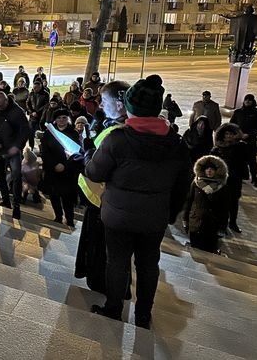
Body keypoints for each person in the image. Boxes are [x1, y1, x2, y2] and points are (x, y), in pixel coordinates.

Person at [86, 75, 191, 329]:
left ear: (130, 108)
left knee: (117, 262)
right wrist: (169, 214)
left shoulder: (117, 139)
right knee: (148, 265)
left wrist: (89, 153)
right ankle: (143, 315)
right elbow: (182, 186)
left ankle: (113, 309)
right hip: (154, 219)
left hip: (118, 217)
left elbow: (94, 173)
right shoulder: (176, 144)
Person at [0, 91, 30, 219]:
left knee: (16, 176)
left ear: (6, 100)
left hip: (13, 150)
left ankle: (16, 205)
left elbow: (25, 130)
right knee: (0, 175)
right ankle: (5, 200)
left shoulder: (18, 111)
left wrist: (17, 146)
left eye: (1, 105)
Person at [40, 109, 82, 225]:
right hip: (52, 170)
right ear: (55, 120)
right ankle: (58, 217)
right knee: (54, 195)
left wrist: (64, 166)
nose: (61, 120)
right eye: (59, 118)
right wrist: (54, 165)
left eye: (64, 117)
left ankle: (69, 219)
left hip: (67, 171)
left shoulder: (73, 133)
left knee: (67, 197)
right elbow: (45, 152)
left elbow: (76, 153)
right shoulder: (49, 133)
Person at [183, 155, 230, 254]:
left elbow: (224, 209)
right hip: (196, 222)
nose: (209, 171)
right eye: (207, 168)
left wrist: (222, 227)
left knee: (208, 251)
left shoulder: (222, 187)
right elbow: (189, 202)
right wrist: (185, 219)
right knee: (195, 251)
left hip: (212, 225)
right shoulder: (196, 183)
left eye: (212, 169)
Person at [211, 123, 248, 234]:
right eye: (226, 134)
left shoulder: (240, 147)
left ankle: (233, 223)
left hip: (235, 179)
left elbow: (245, 159)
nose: (228, 136)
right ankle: (222, 225)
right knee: (222, 203)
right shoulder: (217, 149)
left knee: (234, 202)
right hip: (222, 180)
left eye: (231, 134)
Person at [230, 94, 257, 187]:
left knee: (252, 160)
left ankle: (254, 178)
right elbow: (232, 124)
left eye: (250, 100)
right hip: (238, 139)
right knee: (238, 159)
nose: (248, 101)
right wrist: (237, 134)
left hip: (251, 141)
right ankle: (240, 177)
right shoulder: (238, 112)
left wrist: (249, 134)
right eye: (246, 100)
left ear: (253, 101)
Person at [26, 80, 49, 148]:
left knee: (41, 134)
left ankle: (42, 148)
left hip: (41, 117)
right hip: (32, 117)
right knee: (30, 133)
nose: (34, 89)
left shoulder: (45, 94)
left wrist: (37, 112)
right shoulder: (31, 94)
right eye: (34, 87)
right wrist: (31, 112)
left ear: (40, 87)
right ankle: (31, 147)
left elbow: (46, 105)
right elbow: (28, 103)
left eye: (36, 88)